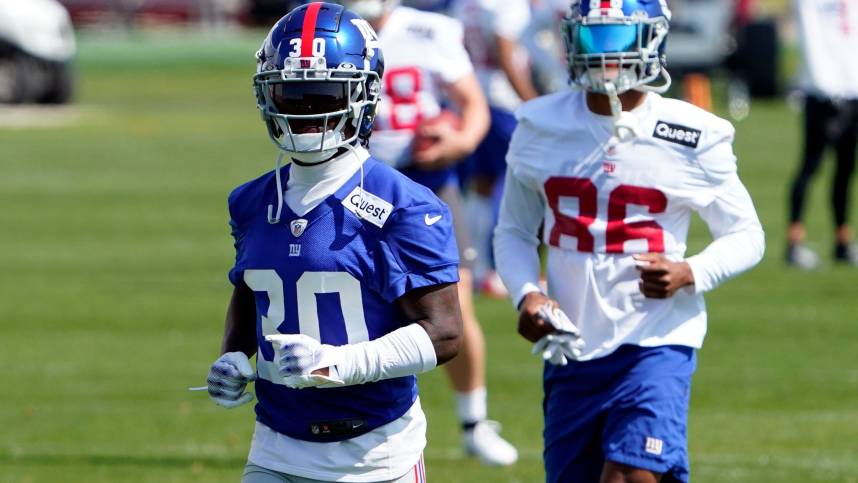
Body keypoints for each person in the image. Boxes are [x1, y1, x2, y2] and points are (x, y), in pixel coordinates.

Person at [493, 0, 765, 481]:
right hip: (572, 347)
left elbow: (747, 234)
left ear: (653, 39)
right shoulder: (539, 124)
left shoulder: (692, 132)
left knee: (630, 474)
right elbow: (514, 229)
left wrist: (691, 272)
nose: (605, 55)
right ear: (570, 41)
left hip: (656, 341)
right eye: (592, 39)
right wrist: (527, 293)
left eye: (618, 39)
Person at [204, 3, 463, 482]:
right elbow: (252, 288)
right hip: (275, 446)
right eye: (290, 93)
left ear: (364, 95)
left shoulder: (403, 204)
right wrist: (235, 355)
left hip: (374, 456)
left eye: (324, 93)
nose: (307, 111)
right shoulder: (250, 200)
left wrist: (335, 364)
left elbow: (443, 333)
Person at [339, 0, 518, 466]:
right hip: (350, 183)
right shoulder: (331, 30)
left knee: (454, 303)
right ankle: (347, 419)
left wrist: (458, 140)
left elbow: (472, 104)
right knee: (350, 304)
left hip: (426, 184)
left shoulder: (430, 30)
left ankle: (473, 421)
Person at [450, 0, 540, 297]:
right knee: (515, 182)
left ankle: (479, 268)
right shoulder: (508, 6)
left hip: (476, 97)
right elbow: (505, 54)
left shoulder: (466, 6)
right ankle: (498, 267)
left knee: (481, 186)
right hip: (503, 101)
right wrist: (532, 104)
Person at [786, 0, 858, 268]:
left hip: (852, 88)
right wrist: (823, 84)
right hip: (823, 93)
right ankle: (793, 242)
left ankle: (842, 240)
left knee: (846, 170)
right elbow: (810, 34)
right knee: (811, 166)